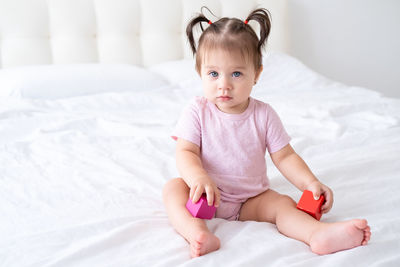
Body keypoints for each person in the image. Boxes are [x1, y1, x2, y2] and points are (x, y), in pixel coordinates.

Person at [162, 7, 371, 258]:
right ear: (200, 73)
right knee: (173, 189)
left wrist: (310, 183)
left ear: (257, 74)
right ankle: (196, 232)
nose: (224, 84)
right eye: (214, 74)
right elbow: (186, 151)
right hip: (204, 196)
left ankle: (316, 234)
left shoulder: (264, 115)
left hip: (250, 200)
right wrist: (197, 179)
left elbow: (285, 157)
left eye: (236, 73)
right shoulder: (197, 111)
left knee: (283, 204)